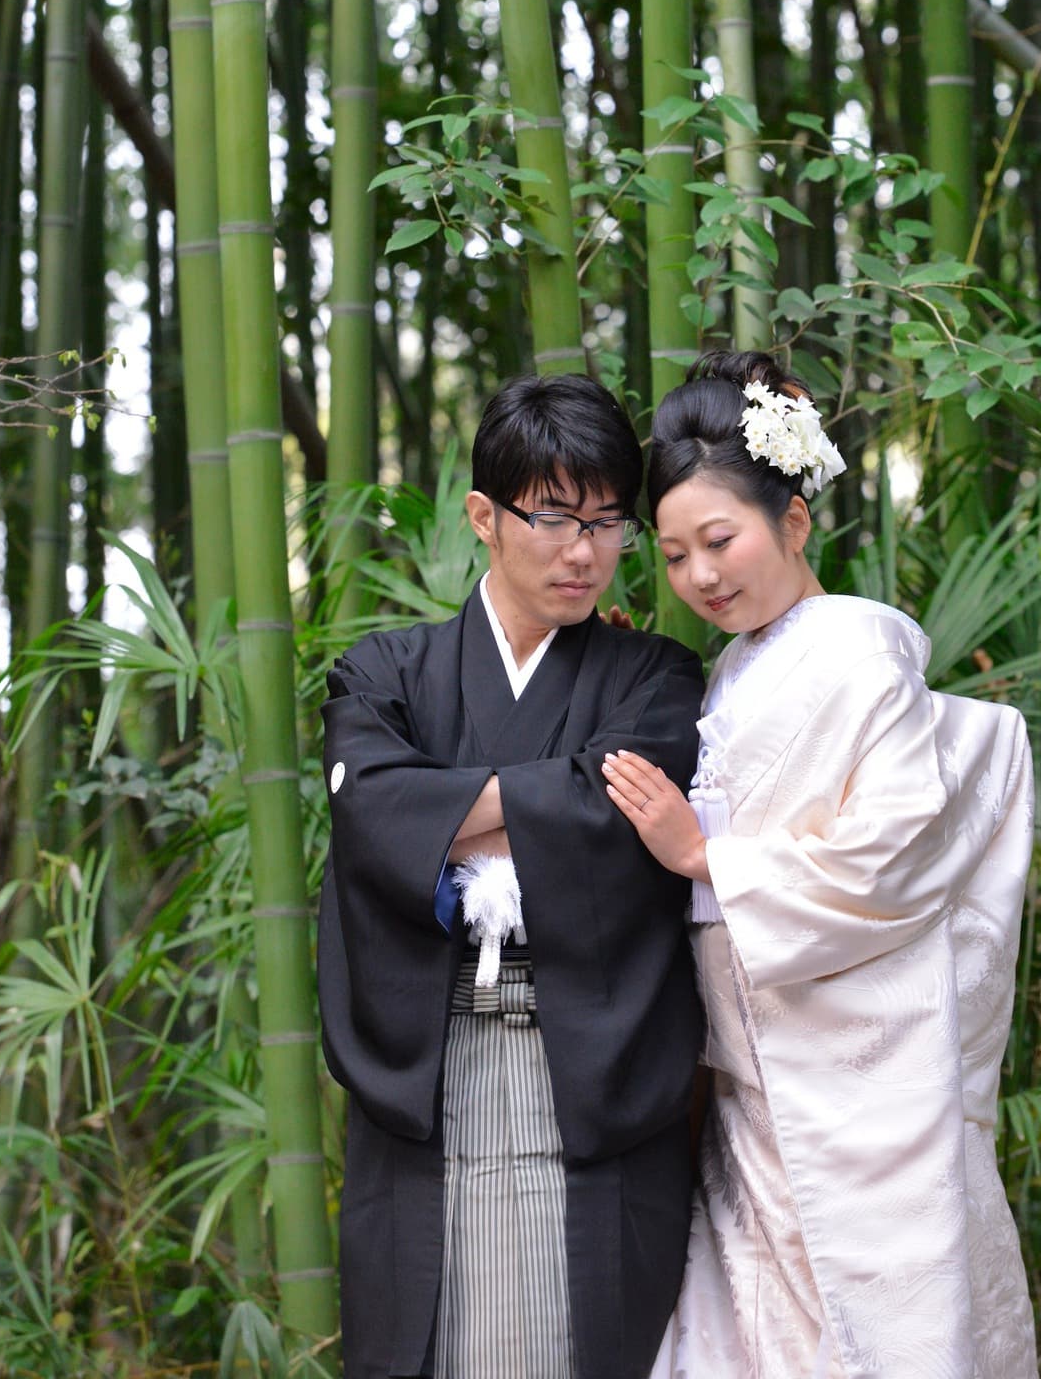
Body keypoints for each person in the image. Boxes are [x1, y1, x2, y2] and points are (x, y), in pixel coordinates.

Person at [604, 352, 1038, 1379]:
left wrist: (706, 855)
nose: (701, 576)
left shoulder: (859, 645)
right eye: (673, 556)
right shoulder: (732, 669)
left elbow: (889, 851)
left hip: (856, 1079)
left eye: (720, 540)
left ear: (794, 522)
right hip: (754, 1085)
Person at [318, 373, 705, 1379]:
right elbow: (369, 810)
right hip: (429, 1070)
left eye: (610, 522)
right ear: (483, 516)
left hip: (587, 1075)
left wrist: (442, 806)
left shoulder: (656, 678)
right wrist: (557, 793)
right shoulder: (382, 672)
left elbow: (625, 813)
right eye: (555, 518)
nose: (586, 553)